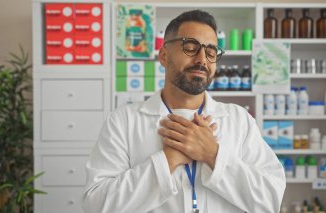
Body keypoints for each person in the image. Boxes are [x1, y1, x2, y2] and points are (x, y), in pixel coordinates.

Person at [82, 10, 286, 213]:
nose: (202, 59)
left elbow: (270, 200)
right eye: (190, 47)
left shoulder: (239, 120)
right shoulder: (123, 122)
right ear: (163, 55)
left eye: (211, 52)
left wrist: (212, 154)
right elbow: (96, 206)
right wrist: (167, 161)